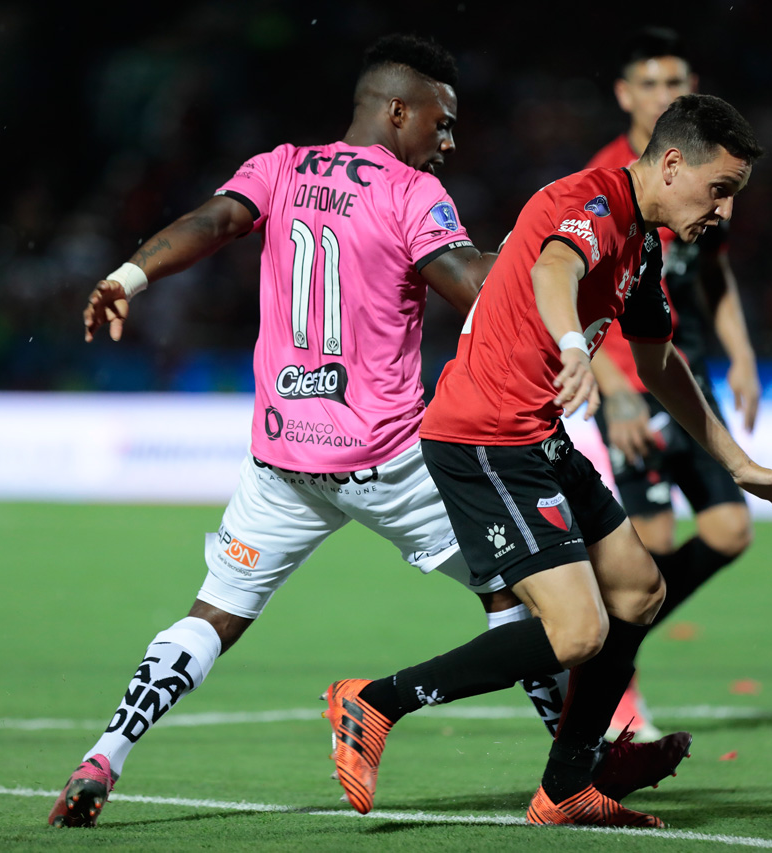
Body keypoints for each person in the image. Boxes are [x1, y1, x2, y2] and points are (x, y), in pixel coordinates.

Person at [48, 33, 544, 828]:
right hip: (388, 460)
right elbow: (474, 294)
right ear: (397, 111)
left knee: (212, 614)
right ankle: (577, 769)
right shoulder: (413, 195)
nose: (448, 142)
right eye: (441, 123)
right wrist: (548, 251)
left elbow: (212, 222)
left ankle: (106, 753)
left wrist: (128, 274)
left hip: (283, 460)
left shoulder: (280, 166)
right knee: (535, 595)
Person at [323, 94, 772, 828]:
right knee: (579, 631)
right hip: (481, 436)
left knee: (641, 591)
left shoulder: (645, 245)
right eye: (720, 189)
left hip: (536, 436)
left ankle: (565, 786)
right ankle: (373, 700)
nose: (725, 212)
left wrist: (739, 464)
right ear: (672, 163)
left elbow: (661, 362)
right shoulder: (593, 198)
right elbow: (555, 269)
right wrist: (576, 348)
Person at [584, 27, 761, 740]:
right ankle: (613, 679)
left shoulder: (708, 176)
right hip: (631, 378)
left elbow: (714, 271)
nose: (667, 94)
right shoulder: (608, 181)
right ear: (626, 94)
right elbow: (576, 293)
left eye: (677, 82)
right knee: (649, 544)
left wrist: (741, 351)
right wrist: (612, 389)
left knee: (729, 528)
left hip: (685, 370)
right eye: (653, 83)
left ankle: (629, 628)